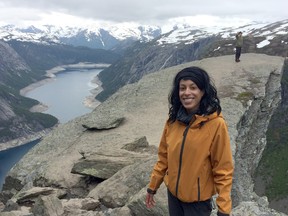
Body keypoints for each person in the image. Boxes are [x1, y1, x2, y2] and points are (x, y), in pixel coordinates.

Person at [145, 66, 234, 216]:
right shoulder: (173, 121)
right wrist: (152, 187)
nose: (187, 93)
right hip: (173, 196)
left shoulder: (216, 124)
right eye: (182, 88)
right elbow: (164, 158)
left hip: (197, 203)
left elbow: (223, 169)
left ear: (203, 91)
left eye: (193, 87)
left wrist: (224, 208)